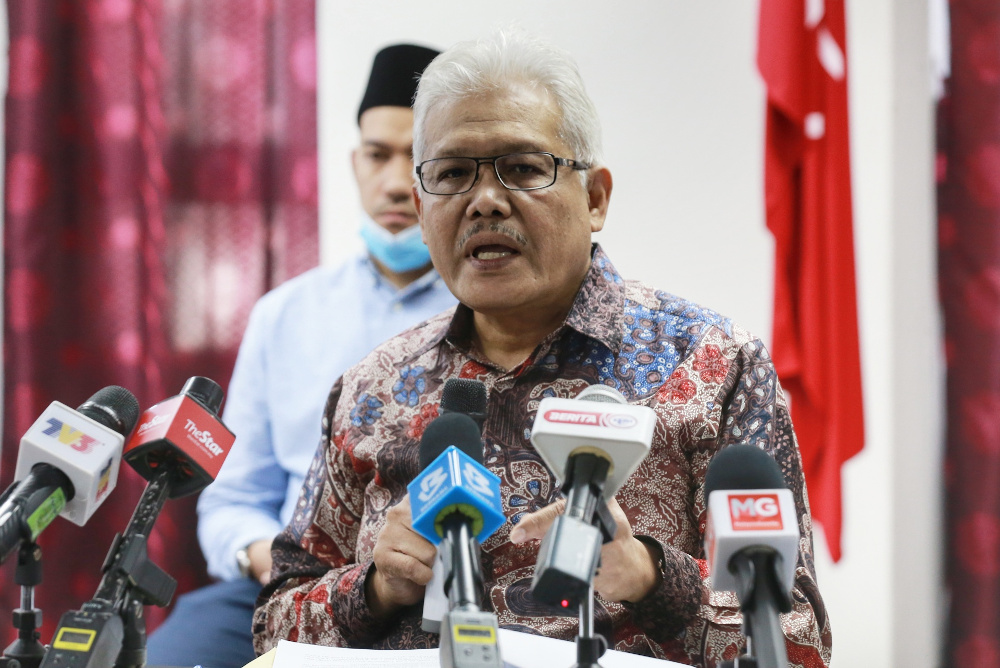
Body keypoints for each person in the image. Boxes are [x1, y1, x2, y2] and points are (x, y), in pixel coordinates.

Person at [252, 29, 832, 667]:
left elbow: (797, 637)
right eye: (452, 174)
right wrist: (375, 588)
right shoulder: (372, 387)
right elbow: (273, 626)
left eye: (525, 169)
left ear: (595, 198)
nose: (485, 201)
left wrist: (649, 577)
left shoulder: (716, 366)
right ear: (421, 207)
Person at [145, 44, 456, 668]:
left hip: (435, 592)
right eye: (378, 155)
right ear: (355, 163)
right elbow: (234, 499)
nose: (395, 181)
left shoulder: (491, 310)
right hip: (287, 584)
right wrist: (272, 561)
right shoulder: (285, 314)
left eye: (419, 159)